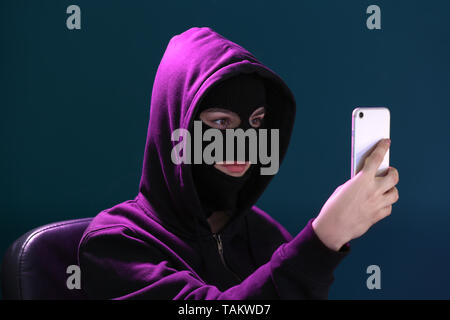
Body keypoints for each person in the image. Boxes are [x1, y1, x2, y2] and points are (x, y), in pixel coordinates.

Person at [77, 27, 399, 299]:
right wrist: (323, 238)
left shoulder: (265, 235)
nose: (245, 143)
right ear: (178, 126)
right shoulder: (116, 244)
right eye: (221, 123)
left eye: (256, 122)